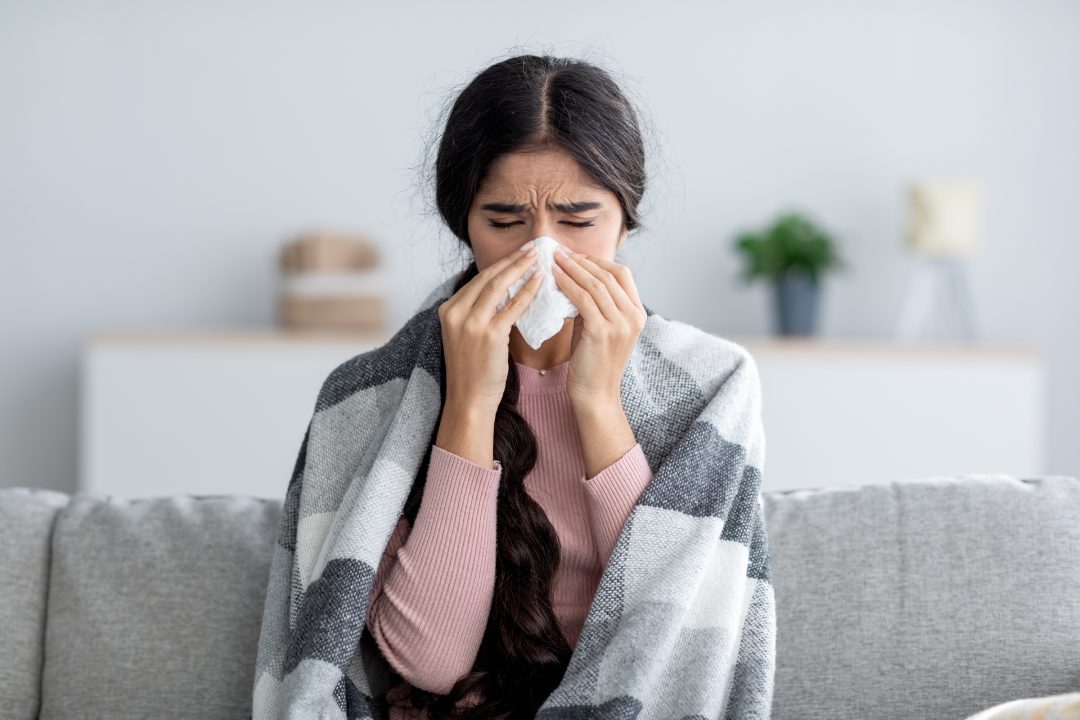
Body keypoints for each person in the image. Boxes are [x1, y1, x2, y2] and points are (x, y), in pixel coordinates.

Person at [363, 54, 655, 719]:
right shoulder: (383, 393)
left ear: (626, 223)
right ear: (463, 225)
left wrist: (597, 403)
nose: (541, 254)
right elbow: (430, 663)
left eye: (578, 222)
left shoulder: (709, 387)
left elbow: (668, 636)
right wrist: (468, 401)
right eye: (504, 222)